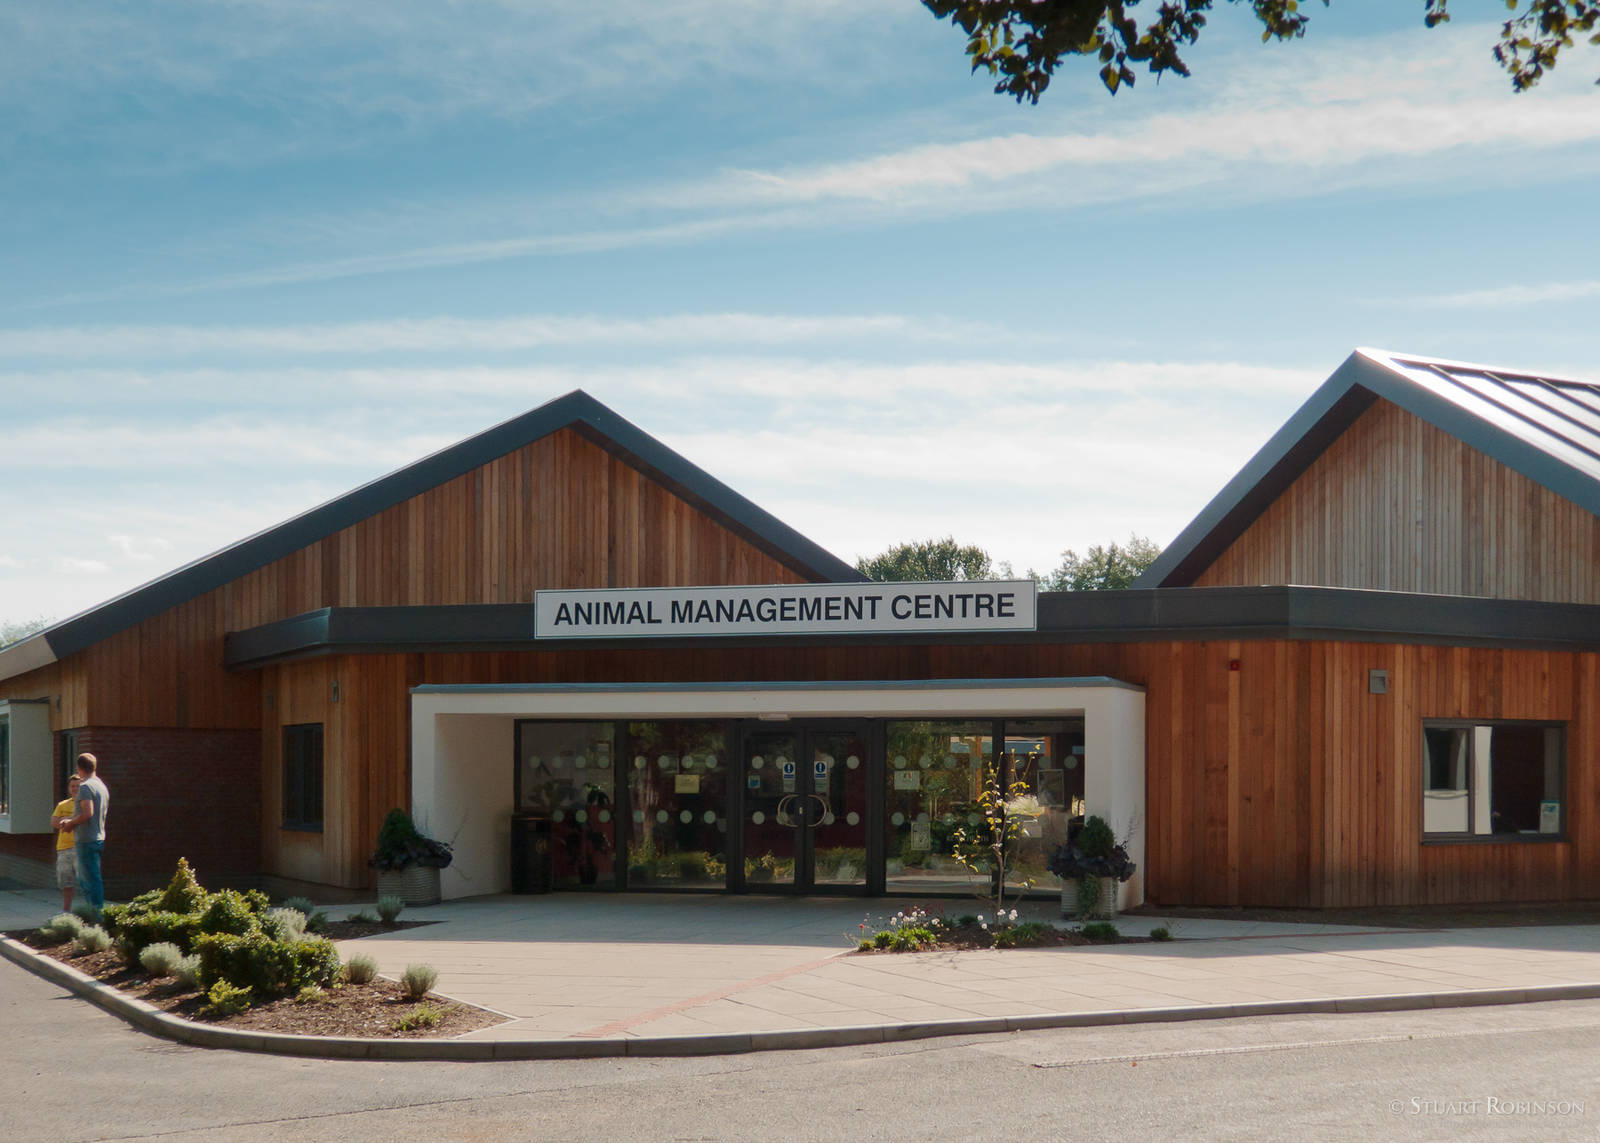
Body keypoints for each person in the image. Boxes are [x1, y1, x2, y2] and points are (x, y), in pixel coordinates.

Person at [57, 753, 110, 910]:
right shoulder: (101, 785)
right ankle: (96, 912)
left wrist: (70, 823)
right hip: (98, 836)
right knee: (93, 878)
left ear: (79, 768)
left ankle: (95, 914)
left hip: (86, 839)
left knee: (88, 881)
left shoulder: (86, 787)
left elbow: (87, 813)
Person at [50, 774, 82, 913]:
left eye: (78, 786)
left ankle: (90, 910)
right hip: (63, 848)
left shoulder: (84, 804)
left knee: (85, 881)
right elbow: (54, 822)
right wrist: (72, 820)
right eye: (72, 786)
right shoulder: (62, 805)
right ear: (69, 788)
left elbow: (83, 820)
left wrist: (67, 819)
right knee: (65, 882)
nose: (75, 789)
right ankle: (66, 910)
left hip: (79, 847)